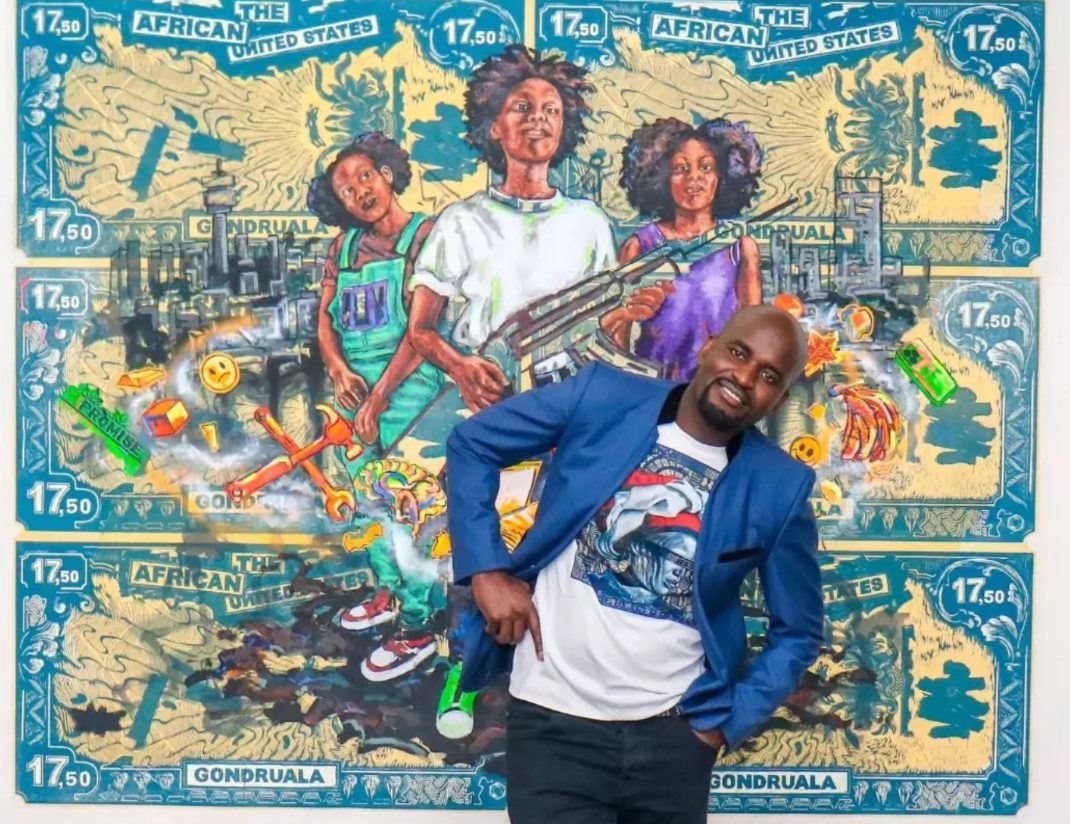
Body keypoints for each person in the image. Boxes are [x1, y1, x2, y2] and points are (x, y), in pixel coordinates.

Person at [446, 305, 824, 823]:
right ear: (708, 346)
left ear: (778, 400)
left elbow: (799, 631)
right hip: (553, 725)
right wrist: (486, 570)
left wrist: (727, 722)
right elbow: (472, 444)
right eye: (738, 353)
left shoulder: (780, 487)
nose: (744, 377)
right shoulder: (603, 396)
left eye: (769, 377)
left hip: (673, 741)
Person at [407, 44, 618, 410]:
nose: (538, 118)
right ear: (494, 126)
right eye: (522, 107)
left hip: (567, 398)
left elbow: (607, 321)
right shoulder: (460, 220)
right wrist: (460, 367)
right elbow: (420, 329)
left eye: (551, 110)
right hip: (484, 398)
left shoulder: (591, 221)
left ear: (563, 127)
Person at [307, 133, 444, 679]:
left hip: (412, 389)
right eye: (345, 189)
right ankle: (386, 592)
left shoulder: (426, 237)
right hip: (354, 393)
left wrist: (381, 397)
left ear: (387, 174)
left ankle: (418, 624)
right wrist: (339, 370)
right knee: (368, 503)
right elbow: (325, 320)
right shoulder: (342, 249)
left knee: (410, 508)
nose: (358, 191)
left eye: (364, 176)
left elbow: (421, 331)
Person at [601, 117, 764, 381]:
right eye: (681, 168)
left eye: (706, 167)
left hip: (714, 385)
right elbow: (618, 342)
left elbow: (752, 332)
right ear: (662, 177)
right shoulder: (639, 246)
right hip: (652, 386)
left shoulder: (741, 247)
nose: (694, 177)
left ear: (722, 176)